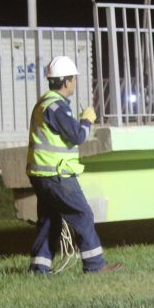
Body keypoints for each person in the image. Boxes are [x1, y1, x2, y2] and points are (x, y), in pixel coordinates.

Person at [26, 55, 121, 274]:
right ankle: (95, 266)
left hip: (41, 173)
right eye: (74, 79)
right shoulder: (58, 107)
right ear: (67, 81)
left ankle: (39, 269)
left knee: (49, 220)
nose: (75, 83)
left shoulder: (44, 103)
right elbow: (78, 136)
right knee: (83, 215)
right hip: (57, 174)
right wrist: (87, 120)